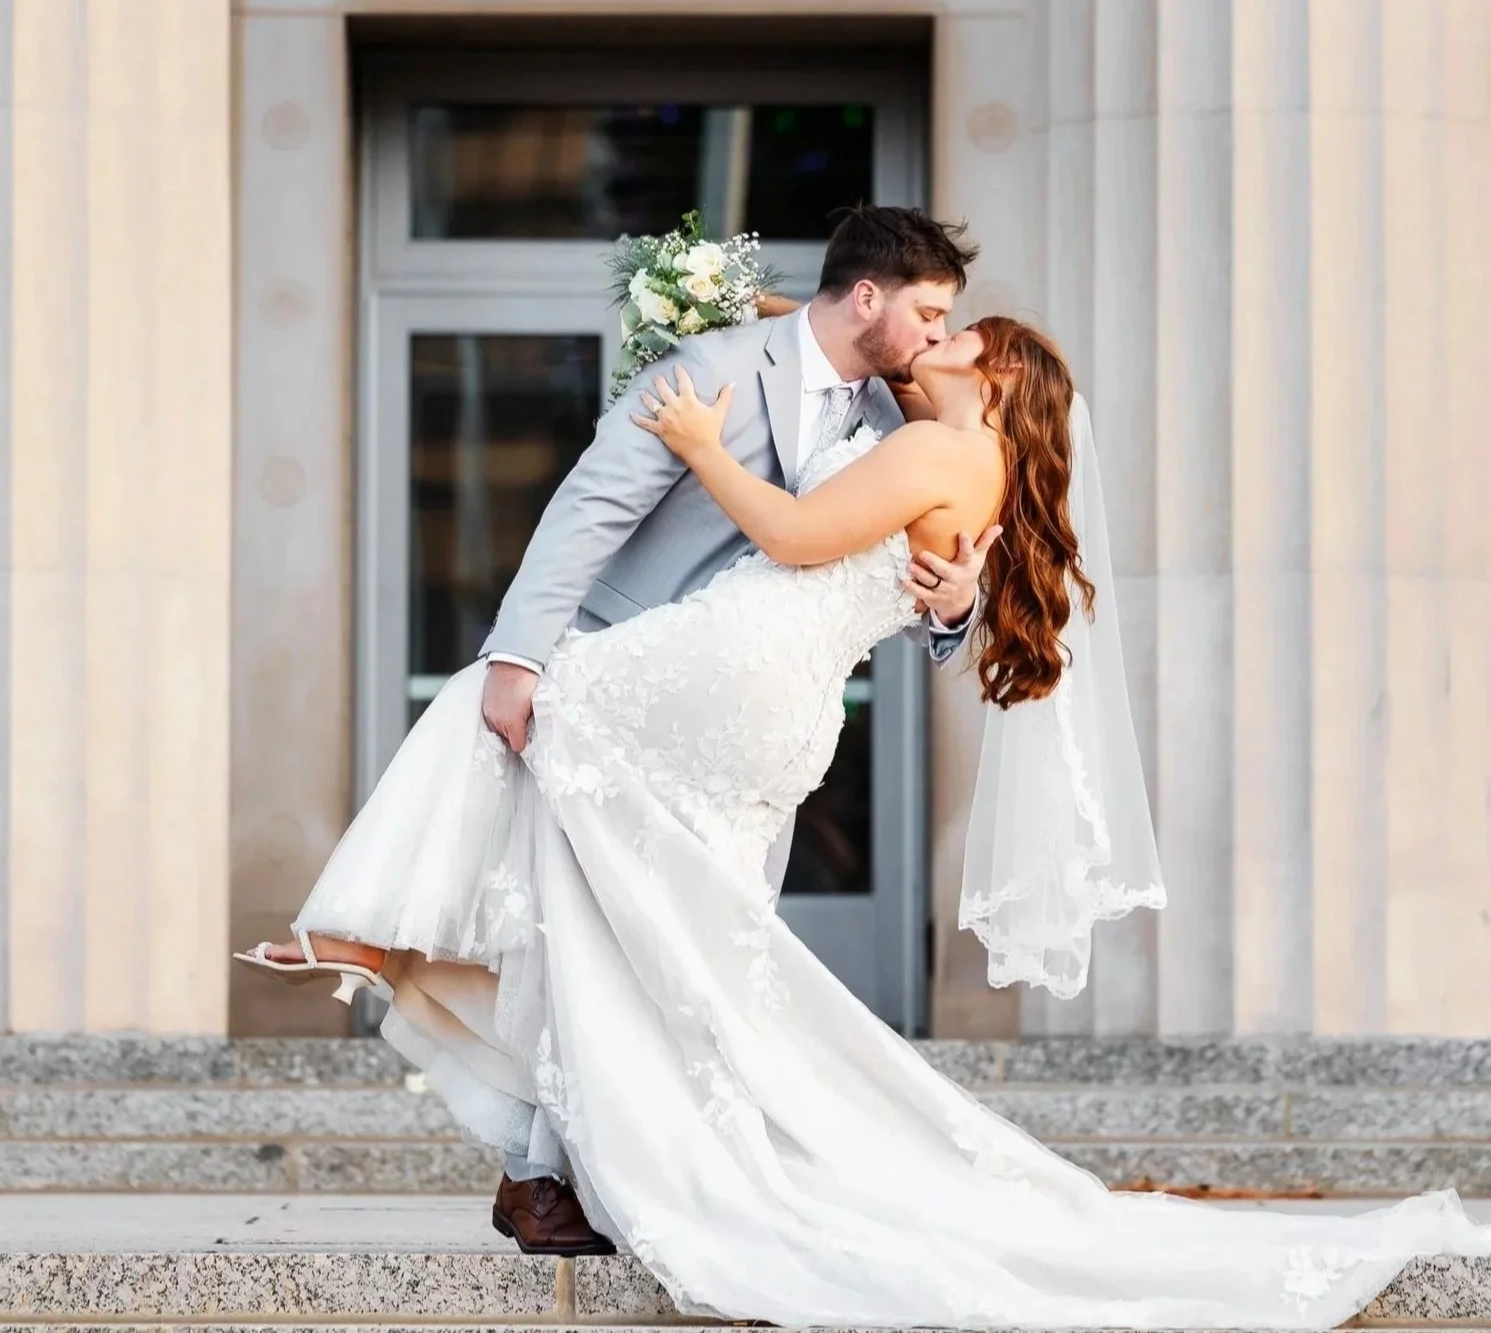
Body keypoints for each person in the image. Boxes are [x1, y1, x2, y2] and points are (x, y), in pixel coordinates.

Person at [237, 311, 1491, 1329]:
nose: (934, 339)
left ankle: (375, 938)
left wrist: (695, 434)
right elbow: (862, 394)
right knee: (633, 917)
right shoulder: (947, 448)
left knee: (498, 699)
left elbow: (788, 530)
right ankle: (526, 1137)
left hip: (734, 667)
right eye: (933, 316)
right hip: (770, 707)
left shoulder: (948, 452)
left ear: (995, 381)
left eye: (960, 334)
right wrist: (755, 306)